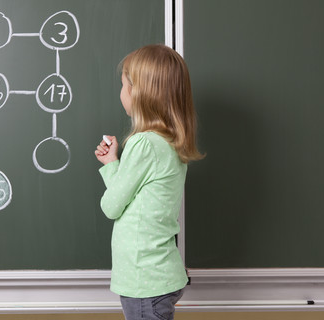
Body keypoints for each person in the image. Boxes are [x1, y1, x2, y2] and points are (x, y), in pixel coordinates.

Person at [94, 44, 204, 320]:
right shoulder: (168, 142)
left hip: (145, 280)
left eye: (123, 85)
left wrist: (111, 167)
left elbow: (112, 205)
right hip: (156, 276)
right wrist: (114, 165)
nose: (121, 93)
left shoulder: (144, 144)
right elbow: (133, 197)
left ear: (140, 93)